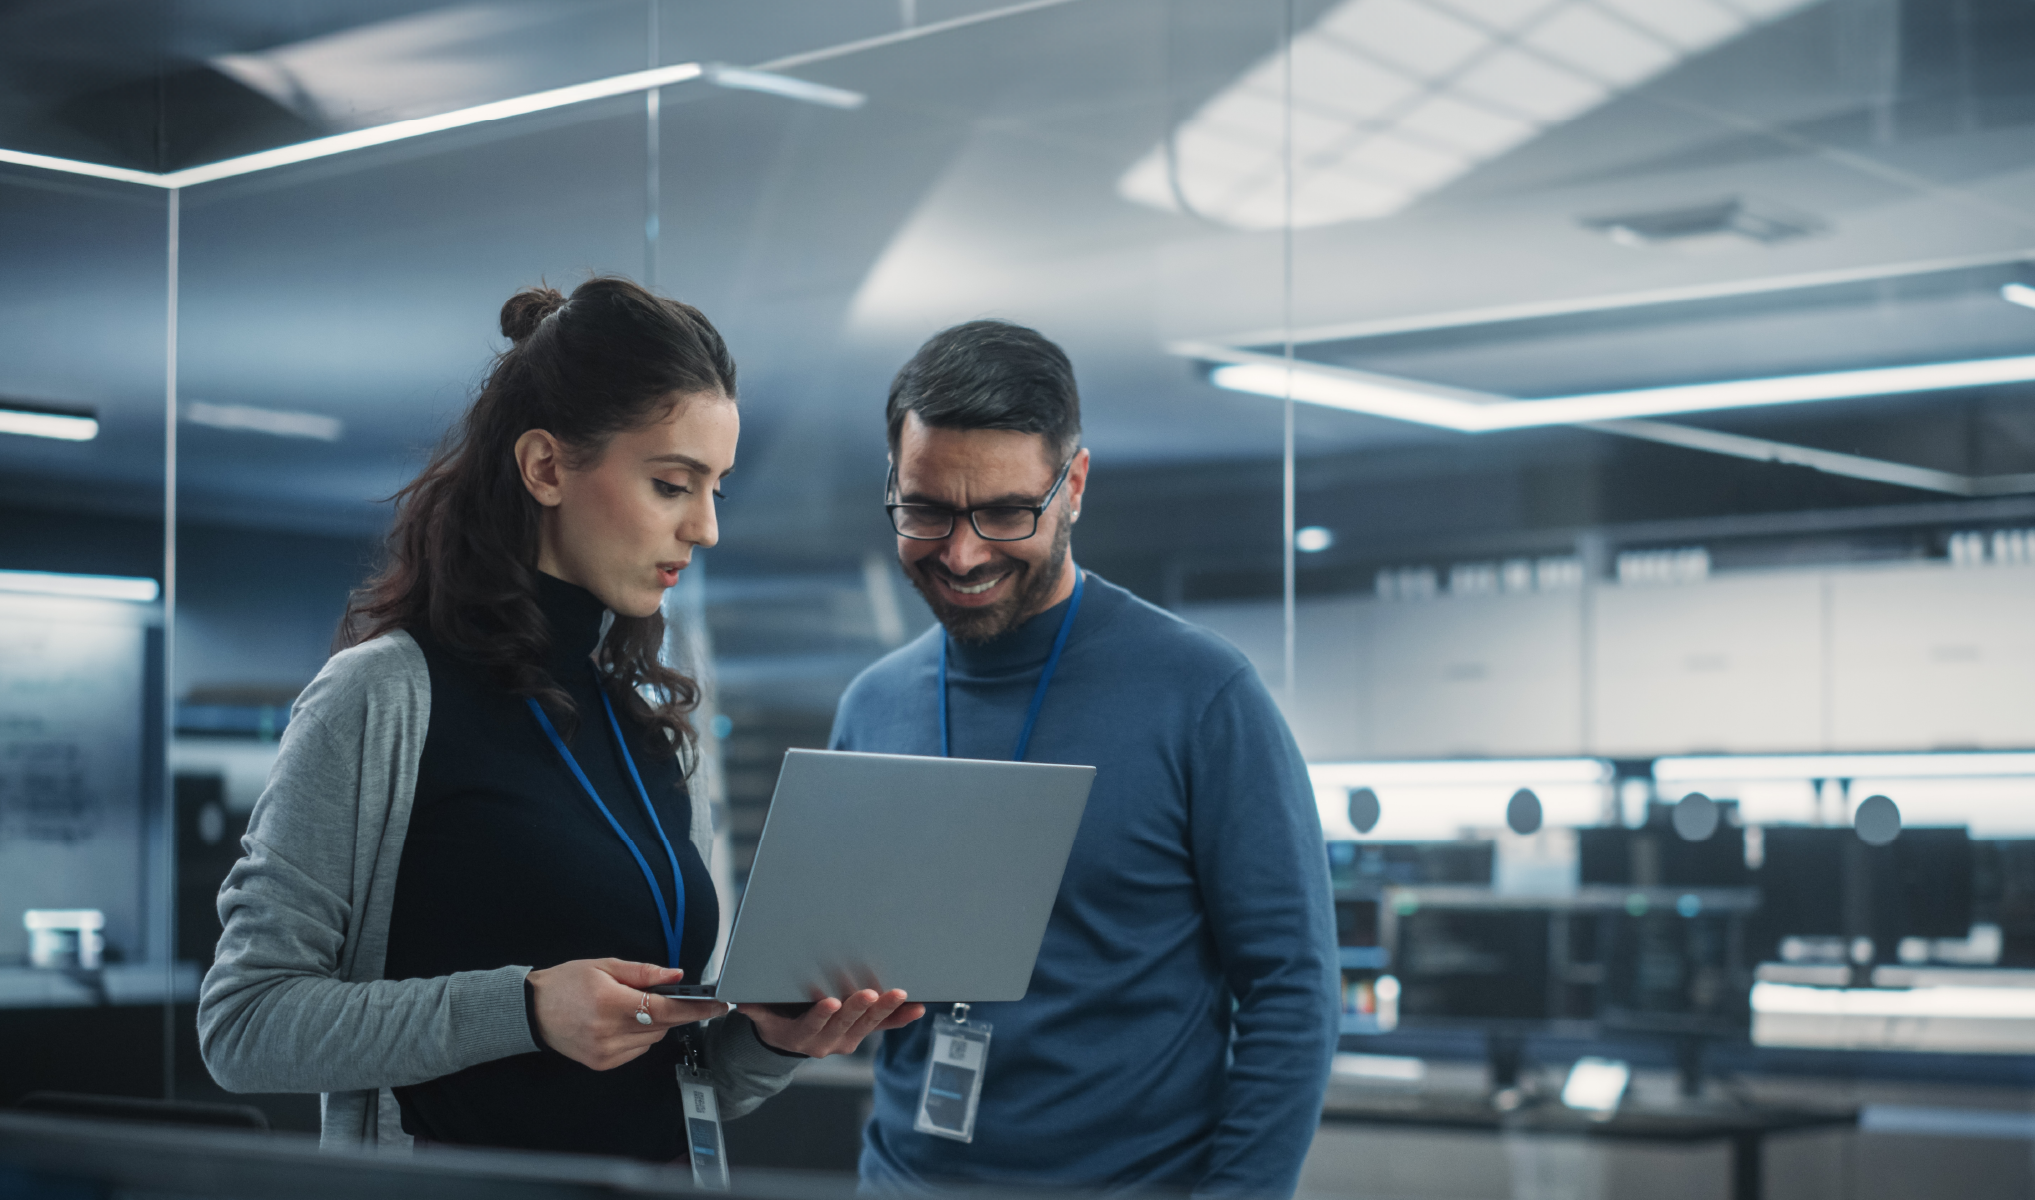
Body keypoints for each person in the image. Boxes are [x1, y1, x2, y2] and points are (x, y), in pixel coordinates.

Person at [199, 277, 926, 1156]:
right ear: (546, 467)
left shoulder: (650, 718)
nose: (705, 529)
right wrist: (528, 1009)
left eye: (716, 491)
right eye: (671, 484)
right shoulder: (382, 696)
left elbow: (680, 1081)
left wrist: (771, 1040)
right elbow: (244, 1025)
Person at [830, 320, 1337, 1197]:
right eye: (927, 511)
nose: (962, 553)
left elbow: (1293, 991)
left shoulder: (1203, 695)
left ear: (1075, 488)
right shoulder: (873, 705)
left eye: (1004, 512)